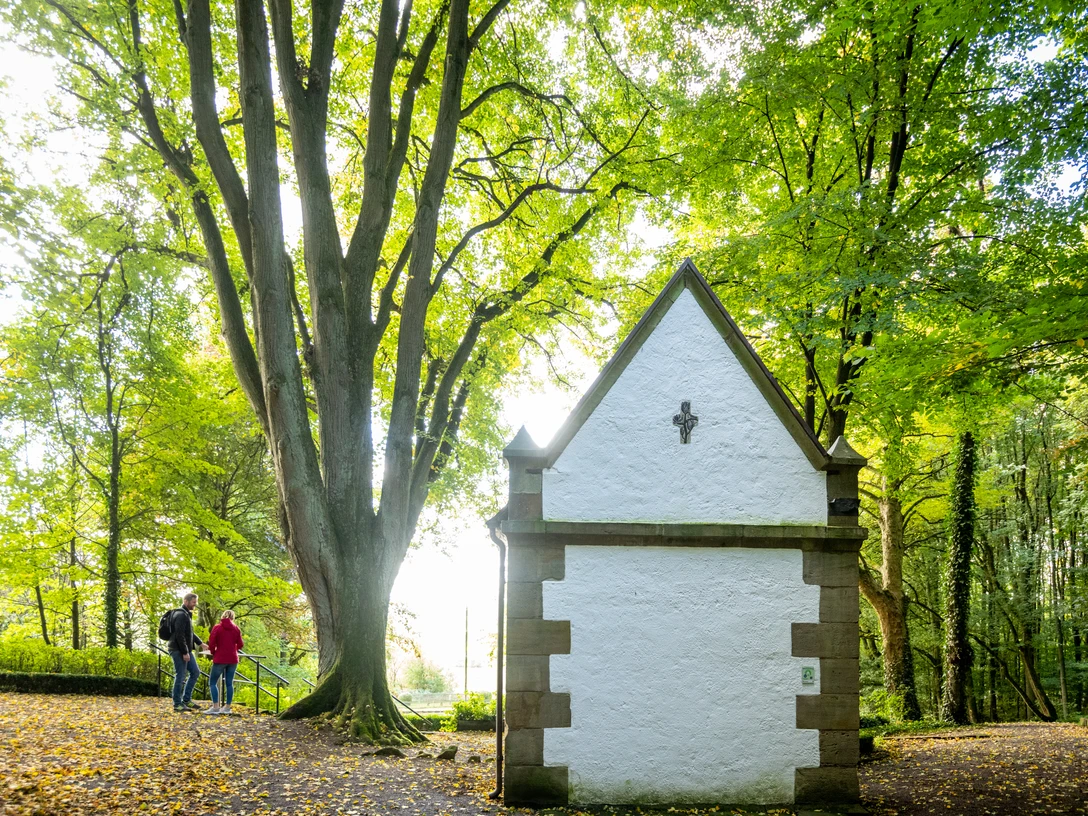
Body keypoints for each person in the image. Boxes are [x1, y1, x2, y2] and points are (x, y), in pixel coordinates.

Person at [167, 592, 204, 713]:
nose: (195, 604)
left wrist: (200, 643)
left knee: (195, 672)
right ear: (186, 601)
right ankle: (177, 704)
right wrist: (185, 652)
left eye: (196, 602)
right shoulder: (180, 615)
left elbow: (189, 633)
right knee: (181, 675)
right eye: (194, 602)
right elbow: (179, 635)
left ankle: (186, 699)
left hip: (185, 649)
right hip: (178, 650)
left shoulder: (186, 614)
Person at [206, 609, 244, 715]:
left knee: (213, 682)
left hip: (220, 658)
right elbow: (240, 644)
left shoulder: (217, 628)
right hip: (233, 659)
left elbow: (212, 642)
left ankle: (215, 707)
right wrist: (233, 650)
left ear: (222, 616)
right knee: (229, 683)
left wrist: (214, 652)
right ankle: (227, 707)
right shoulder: (236, 629)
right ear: (233, 618)